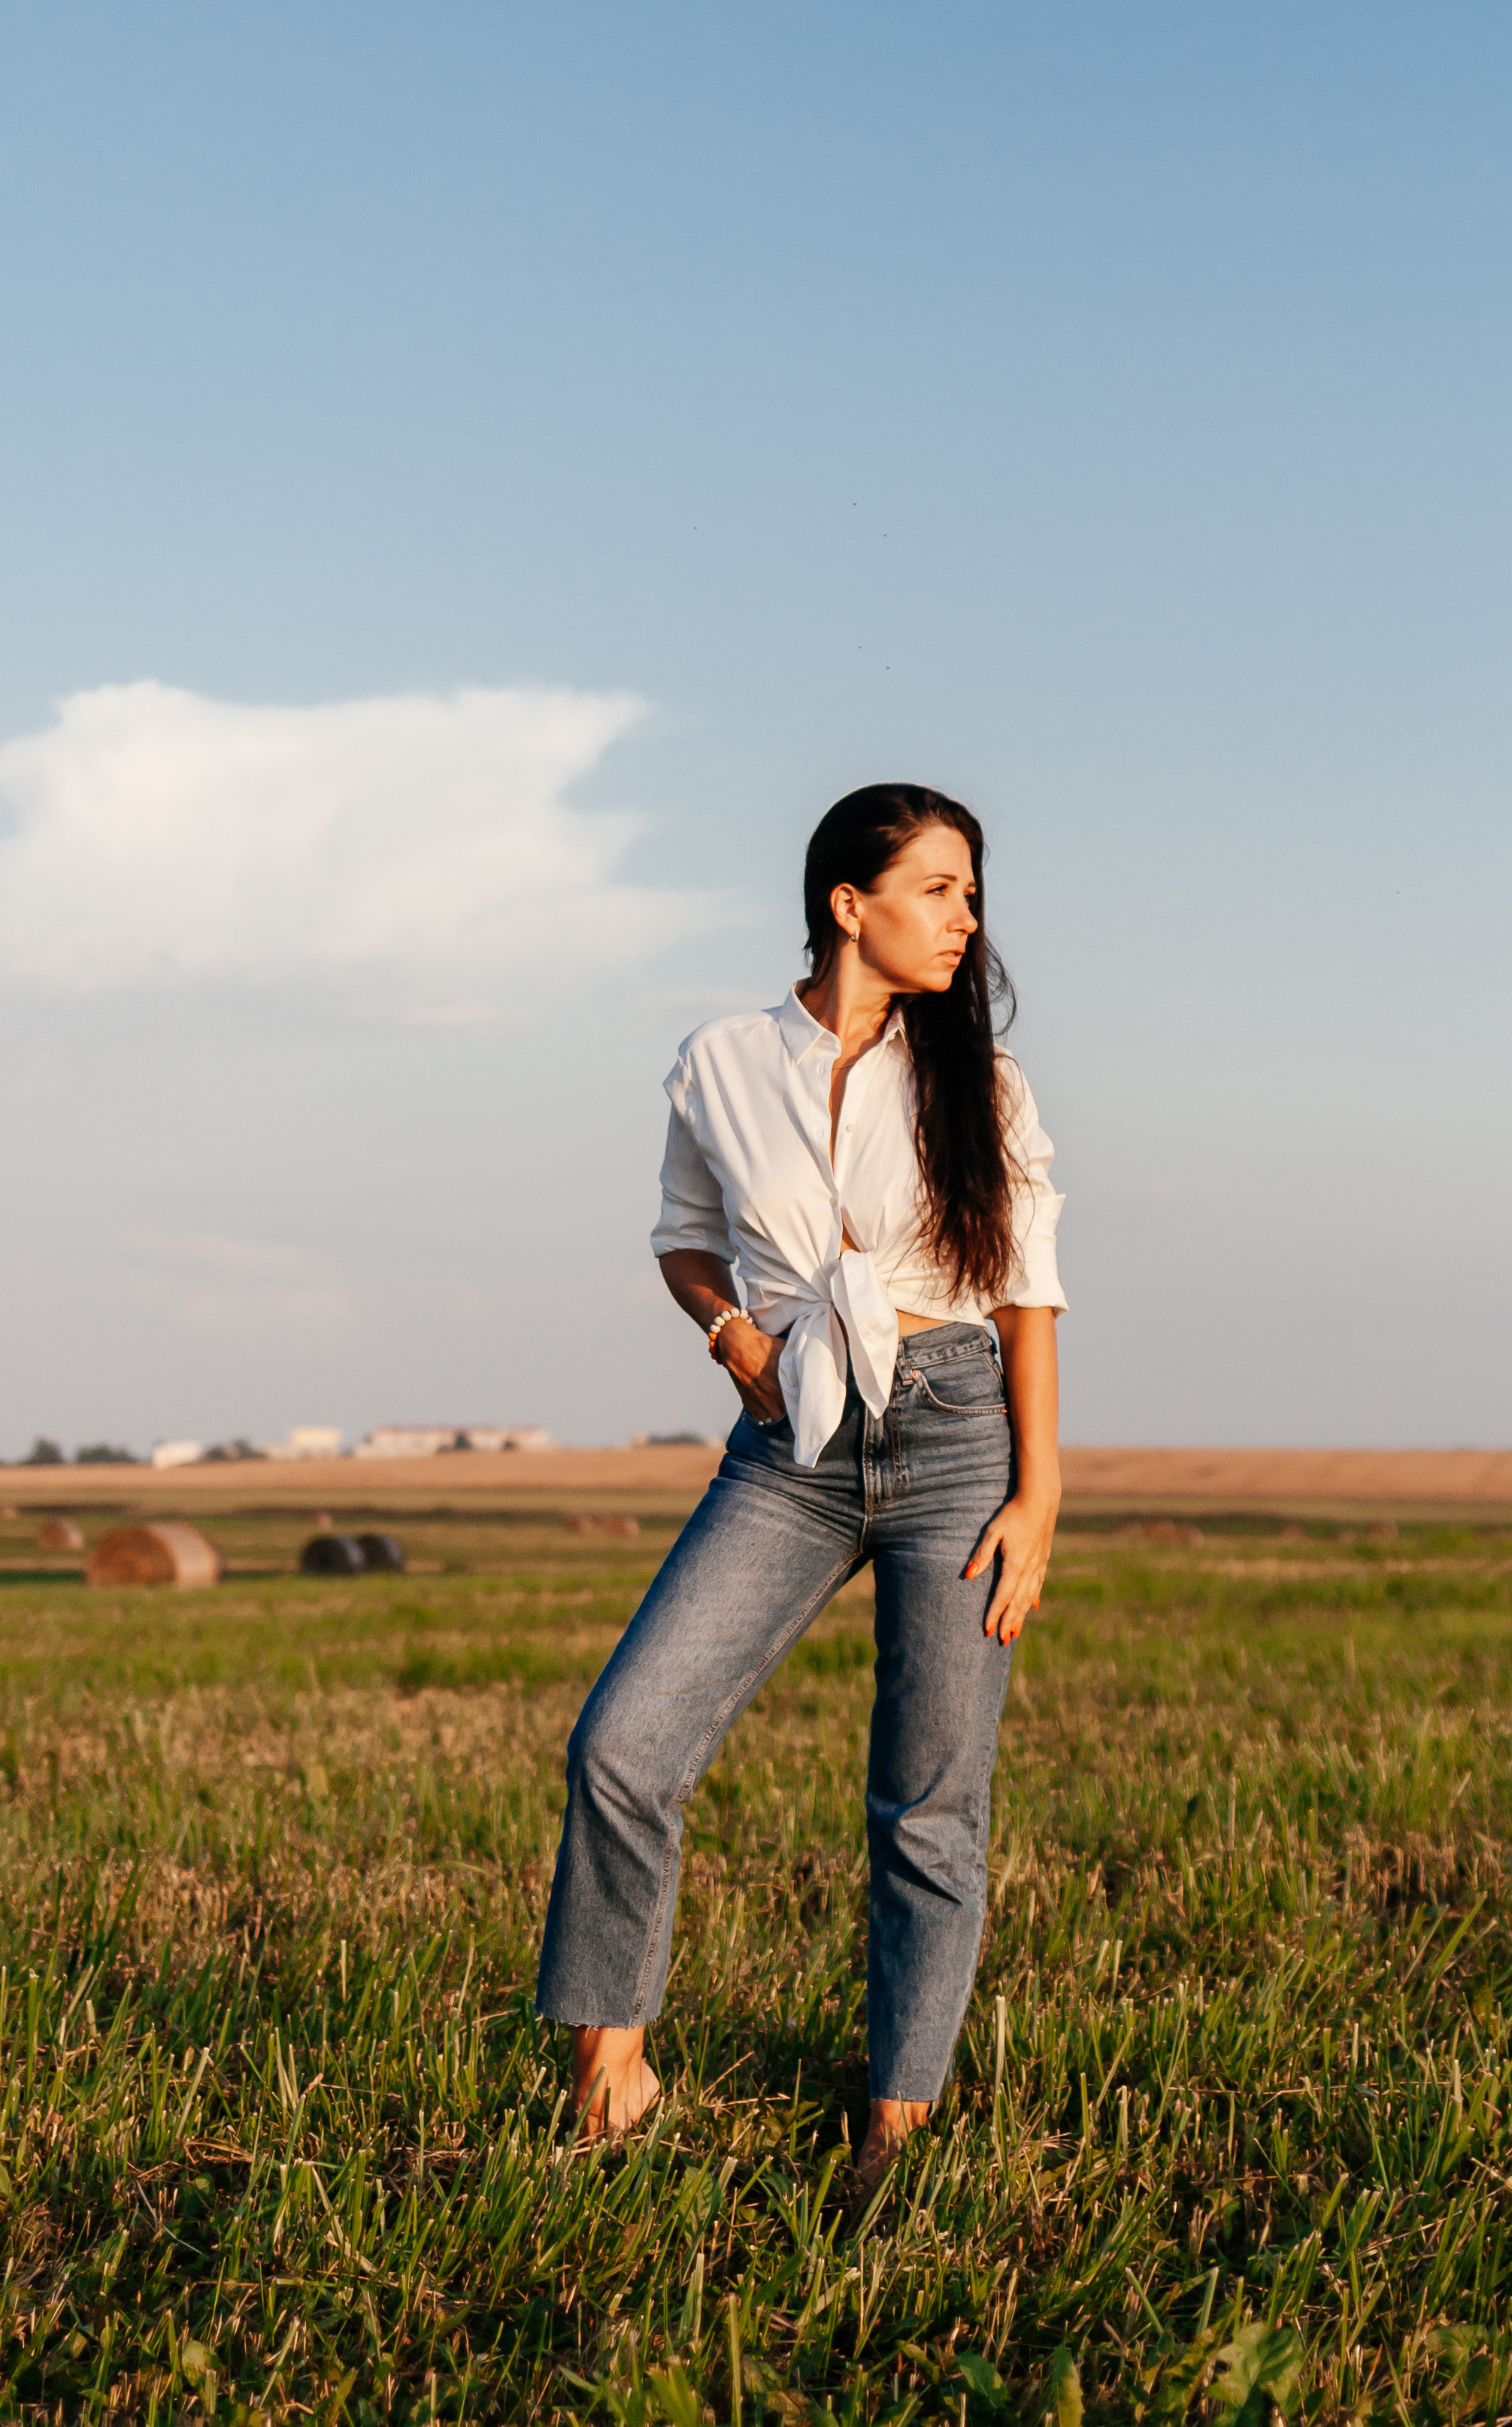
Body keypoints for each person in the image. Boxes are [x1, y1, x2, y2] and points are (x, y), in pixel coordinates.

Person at [535, 783, 1065, 2192]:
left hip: (957, 1438)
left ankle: (895, 2120)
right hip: (792, 1443)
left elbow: (1024, 1294)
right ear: (850, 902)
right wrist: (730, 1336)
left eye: (971, 893)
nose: (966, 918)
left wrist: (1038, 1496)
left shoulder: (983, 1083)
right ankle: (610, 2064)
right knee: (622, 1745)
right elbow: (683, 1238)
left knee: (928, 1804)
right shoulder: (718, 1060)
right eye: (940, 888)